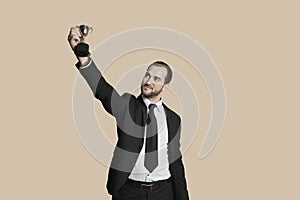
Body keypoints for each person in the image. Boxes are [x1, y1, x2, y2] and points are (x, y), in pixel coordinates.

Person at [67, 26, 189, 200]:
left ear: (165, 86)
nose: (149, 81)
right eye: (147, 75)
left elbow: (176, 162)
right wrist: (83, 58)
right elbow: (103, 90)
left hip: (164, 191)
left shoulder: (174, 119)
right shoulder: (127, 105)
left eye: (156, 78)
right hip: (130, 192)